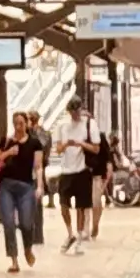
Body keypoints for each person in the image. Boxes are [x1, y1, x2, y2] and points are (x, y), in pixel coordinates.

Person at [0, 111, 47, 270]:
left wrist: (40, 186)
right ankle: (14, 261)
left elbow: (38, 166)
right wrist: (8, 152)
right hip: (6, 186)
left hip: (26, 187)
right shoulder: (6, 141)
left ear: (27, 124)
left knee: (26, 223)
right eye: (15, 123)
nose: (18, 126)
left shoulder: (35, 143)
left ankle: (28, 249)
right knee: (8, 223)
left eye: (21, 123)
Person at [47, 103, 95, 251]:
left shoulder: (87, 125)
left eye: (78, 110)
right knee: (64, 205)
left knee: (80, 207)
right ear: (69, 111)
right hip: (66, 171)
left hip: (82, 171)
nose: (76, 113)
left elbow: (95, 148)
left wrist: (81, 144)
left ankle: (79, 237)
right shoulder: (62, 126)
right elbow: (58, 150)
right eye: (73, 110)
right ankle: (70, 233)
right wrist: (67, 144)